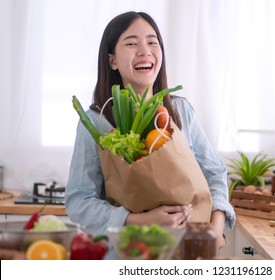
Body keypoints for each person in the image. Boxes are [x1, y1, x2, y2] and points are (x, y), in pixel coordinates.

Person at [65, 11, 236, 259]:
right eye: (132, 43)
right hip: (127, 257)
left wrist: (213, 231)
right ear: (112, 60)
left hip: (188, 256)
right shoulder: (96, 122)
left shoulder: (180, 112)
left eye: (152, 42)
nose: (145, 50)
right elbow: (78, 201)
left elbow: (215, 173)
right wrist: (139, 220)